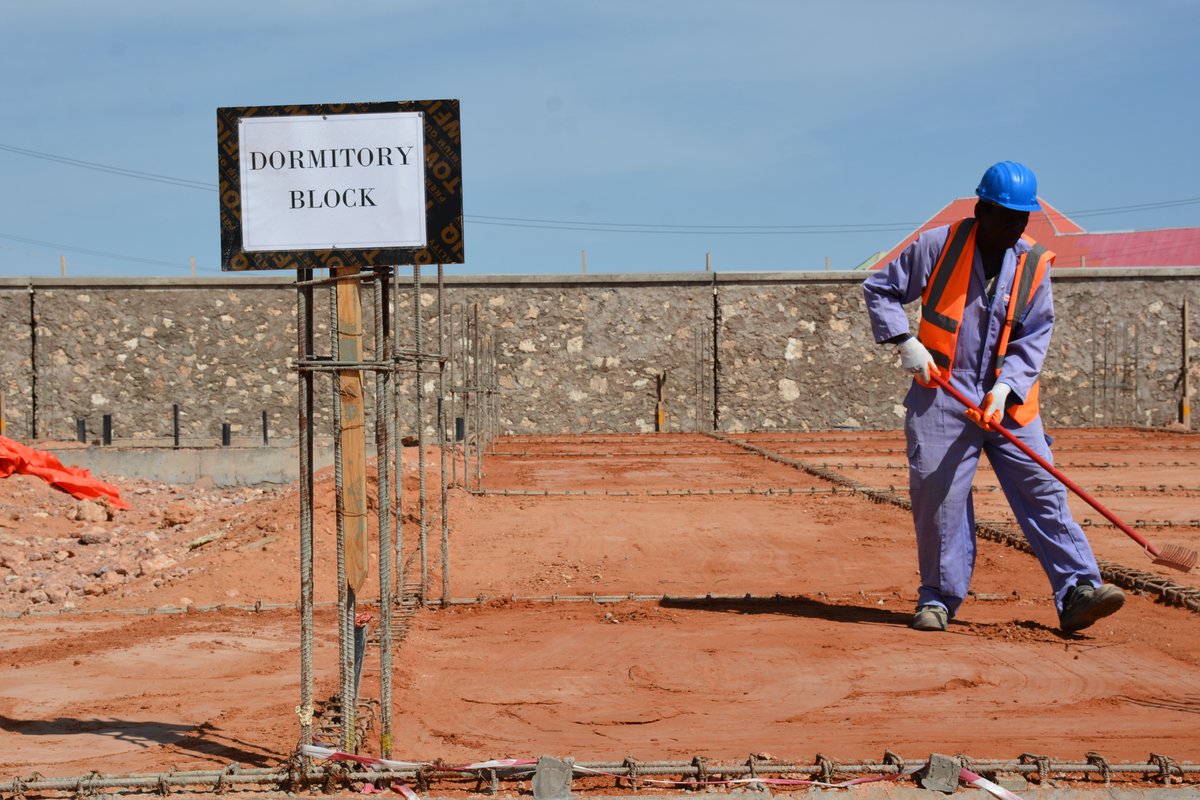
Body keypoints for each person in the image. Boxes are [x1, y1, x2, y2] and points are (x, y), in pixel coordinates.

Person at [862, 160, 1124, 634]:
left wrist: (1005, 387)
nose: (1015, 226)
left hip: (1010, 396)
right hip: (942, 387)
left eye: (1023, 218)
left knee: (1041, 488)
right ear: (981, 208)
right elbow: (880, 289)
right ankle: (938, 599)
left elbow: (1035, 334)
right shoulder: (937, 245)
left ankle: (1078, 591)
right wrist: (905, 342)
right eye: (1007, 216)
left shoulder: (1032, 262)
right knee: (938, 494)